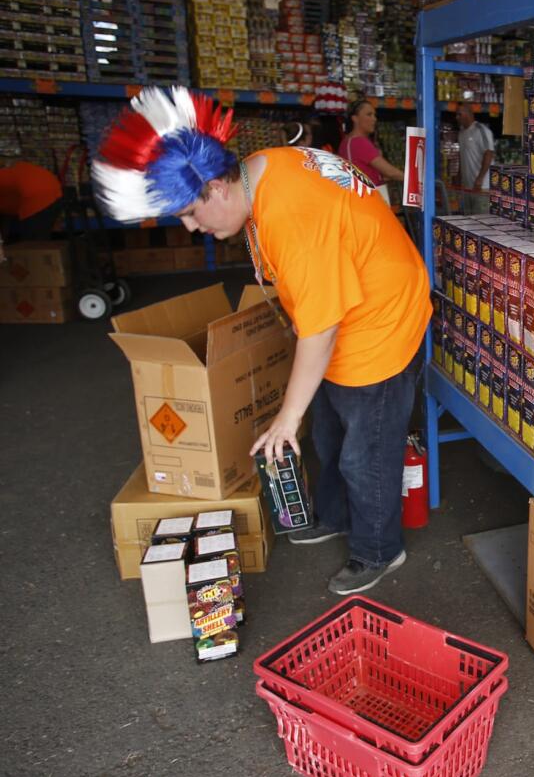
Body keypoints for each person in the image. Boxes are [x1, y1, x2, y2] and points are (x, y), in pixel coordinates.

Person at [91, 87, 431, 596]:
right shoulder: (259, 168)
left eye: (189, 213)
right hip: (353, 298)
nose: (190, 227)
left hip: (380, 320)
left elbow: (321, 329)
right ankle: (336, 518)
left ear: (217, 188)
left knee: (367, 449)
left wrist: (286, 415)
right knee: (331, 435)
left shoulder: (291, 217)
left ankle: (378, 549)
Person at [339, 99, 405, 192]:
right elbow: (390, 172)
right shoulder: (359, 142)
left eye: (374, 115)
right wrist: (413, 180)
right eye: (369, 115)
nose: (374, 119)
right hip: (368, 197)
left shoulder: (346, 142)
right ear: (355, 118)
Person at [0, 160, 63, 252]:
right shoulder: (8, 178)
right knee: (38, 239)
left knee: (32, 243)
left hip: (36, 195)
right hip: (54, 190)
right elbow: (5, 221)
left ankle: (38, 264)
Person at [457, 104, 494, 215]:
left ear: (468, 113)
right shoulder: (461, 133)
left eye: (459, 114)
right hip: (468, 187)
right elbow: (462, 156)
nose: (456, 117)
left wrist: (480, 178)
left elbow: (489, 153)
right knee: (468, 221)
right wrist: (459, 175)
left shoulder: (481, 130)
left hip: (482, 187)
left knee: (481, 221)